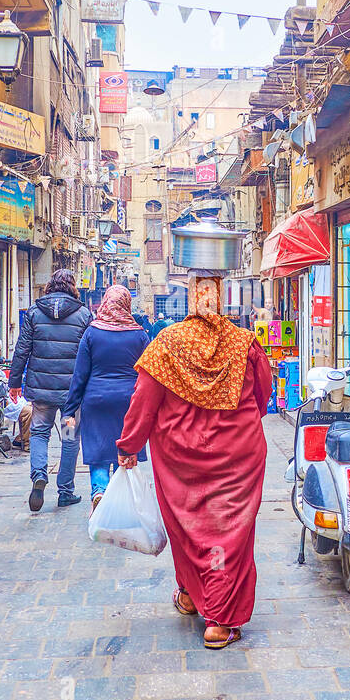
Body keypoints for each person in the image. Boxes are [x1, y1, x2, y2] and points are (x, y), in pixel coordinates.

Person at [116, 273, 272, 650]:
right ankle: (217, 616)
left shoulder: (166, 344)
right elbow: (265, 395)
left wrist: (129, 445)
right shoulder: (244, 343)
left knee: (188, 527)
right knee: (229, 531)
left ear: (189, 298)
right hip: (239, 455)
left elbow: (143, 402)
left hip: (180, 458)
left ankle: (195, 595)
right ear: (221, 298)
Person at [8, 268, 91, 512]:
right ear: (73, 286)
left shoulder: (34, 313)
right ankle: (65, 491)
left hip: (41, 392)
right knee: (69, 438)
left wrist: (14, 382)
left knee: (40, 433)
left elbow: (22, 349)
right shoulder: (84, 314)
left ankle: (38, 476)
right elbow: (89, 353)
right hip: (71, 393)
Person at [62, 285, 149, 510]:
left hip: (96, 400)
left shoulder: (92, 332)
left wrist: (69, 410)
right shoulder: (139, 334)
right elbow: (149, 374)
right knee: (125, 447)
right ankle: (121, 501)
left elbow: (80, 375)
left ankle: (99, 490)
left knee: (99, 450)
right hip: (129, 402)